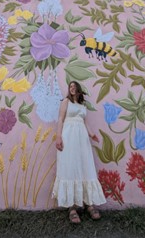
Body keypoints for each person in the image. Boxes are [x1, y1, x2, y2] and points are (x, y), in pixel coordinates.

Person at [52, 81, 106, 224]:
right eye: (70, 86)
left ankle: (89, 204)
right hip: (68, 137)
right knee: (70, 167)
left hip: (82, 139)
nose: (72, 88)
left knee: (85, 167)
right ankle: (72, 208)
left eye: (74, 86)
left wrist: (91, 134)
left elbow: (84, 122)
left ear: (79, 89)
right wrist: (58, 137)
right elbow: (60, 119)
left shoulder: (82, 106)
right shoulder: (65, 102)